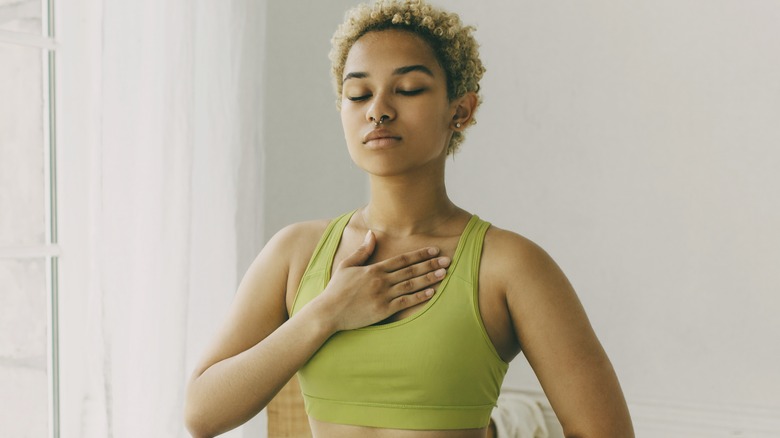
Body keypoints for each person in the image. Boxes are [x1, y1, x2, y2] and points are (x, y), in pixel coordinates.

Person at [184, 1, 634, 437]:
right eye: (358, 93)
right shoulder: (295, 251)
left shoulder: (511, 265)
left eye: (409, 89)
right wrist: (326, 312)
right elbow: (202, 414)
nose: (378, 109)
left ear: (460, 110)